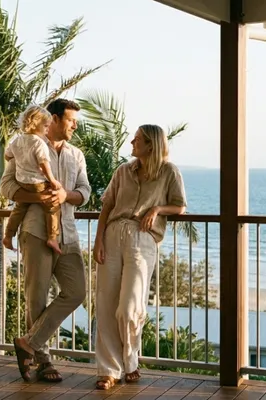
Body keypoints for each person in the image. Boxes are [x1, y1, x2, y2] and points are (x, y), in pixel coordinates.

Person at [0, 98, 90, 383]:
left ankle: (28, 342)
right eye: (71, 119)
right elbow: (7, 186)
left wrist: (66, 196)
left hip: (68, 234)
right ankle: (44, 361)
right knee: (36, 298)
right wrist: (39, 197)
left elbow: (85, 191)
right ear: (53, 119)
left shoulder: (76, 155)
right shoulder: (26, 145)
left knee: (76, 292)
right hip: (36, 232)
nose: (75, 125)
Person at [92, 124, 187, 390]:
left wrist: (157, 208)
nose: (131, 142)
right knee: (106, 303)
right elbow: (107, 205)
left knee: (130, 307)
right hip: (112, 235)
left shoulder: (169, 172)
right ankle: (109, 370)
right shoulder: (123, 171)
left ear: (151, 145)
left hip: (143, 238)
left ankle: (131, 361)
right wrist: (98, 240)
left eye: (137, 140)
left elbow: (179, 206)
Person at [2, 105, 63, 254]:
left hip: (23, 182)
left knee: (19, 209)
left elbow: (7, 155)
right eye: (46, 126)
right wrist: (53, 180)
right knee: (52, 206)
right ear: (36, 123)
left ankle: (8, 235)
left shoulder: (18, 141)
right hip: (37, 182)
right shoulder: (39, 143)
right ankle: (52, 237)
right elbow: (43, 164)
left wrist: (20, 159)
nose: (48, 129)